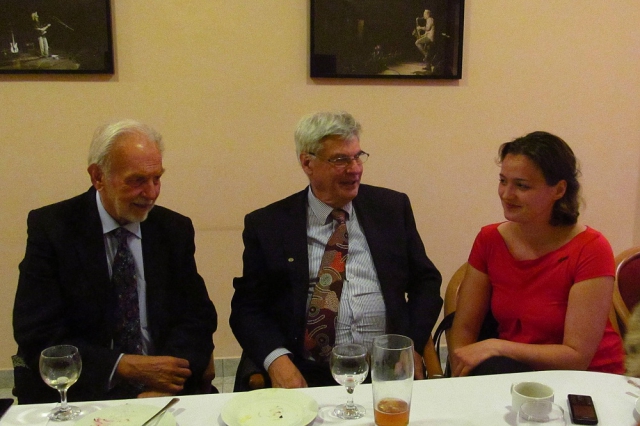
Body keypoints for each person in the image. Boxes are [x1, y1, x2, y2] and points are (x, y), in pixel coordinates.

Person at [230, 111, 442, 389]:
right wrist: (276, 360)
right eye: (341, 160)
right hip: (308, 372)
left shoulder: (390, 209)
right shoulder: (269, 225)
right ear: (307, 163)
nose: (355, 169)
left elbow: (426, 282)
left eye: (358, 156)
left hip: (385, 369)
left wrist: (410, 343)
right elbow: (247, 308)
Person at [12, 119, 218, 403]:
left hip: (163, 392)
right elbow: (37, 334)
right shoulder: (53, 229)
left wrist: (168, 383)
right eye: (137, 180)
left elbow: (197, 318)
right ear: (98, 177)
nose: (151, 193)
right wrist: (123, 366)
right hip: (85, 393)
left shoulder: (173, 230)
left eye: (157, 178)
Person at [449, 131, 624, 377]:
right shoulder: (489, 239)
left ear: (559, 190)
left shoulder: (591, 248)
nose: (507, 194)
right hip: (515, 374)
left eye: (522, 185)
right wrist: (460, 377)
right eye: (503, 181)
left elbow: (576, 357)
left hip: (589, 379)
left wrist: (497, 346)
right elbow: (465, 328)